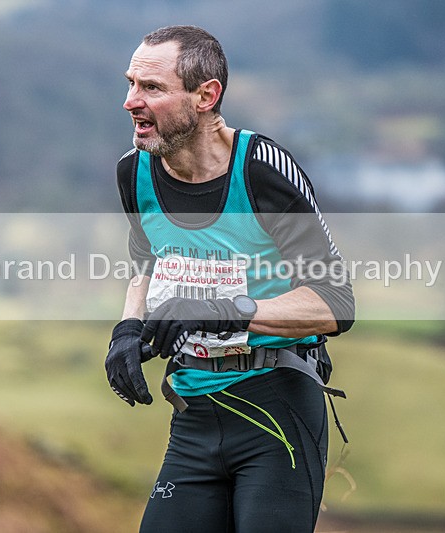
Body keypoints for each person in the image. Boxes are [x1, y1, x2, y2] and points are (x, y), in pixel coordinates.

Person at [105, 25, 355, 532]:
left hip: (278, 406)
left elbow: (336, 304)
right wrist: (127, 330)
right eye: (131, 83)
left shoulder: (261, 171)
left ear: (205, 95)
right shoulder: (135, 172)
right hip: (195, 412)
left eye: (151, 88)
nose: (131, 101)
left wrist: (226, 309)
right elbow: (146, 266)